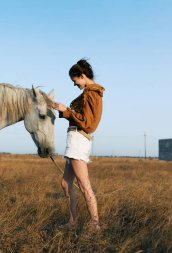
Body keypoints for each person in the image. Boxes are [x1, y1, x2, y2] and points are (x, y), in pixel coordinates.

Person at [52, 59, 105, 233]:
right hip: (74, 140)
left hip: (78, 141)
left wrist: (66, 111)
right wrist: (62, 109)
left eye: (75, 81)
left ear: (82, 76)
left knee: (84, 184)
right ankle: (73, 222)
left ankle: (95, 224)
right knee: (66, 184)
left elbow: (89, 124)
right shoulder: (88, 93)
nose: (75, 85)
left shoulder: (92, 93)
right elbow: (80, 116)